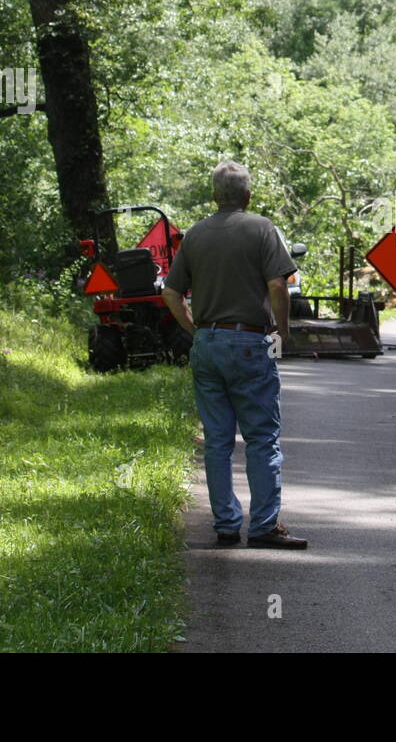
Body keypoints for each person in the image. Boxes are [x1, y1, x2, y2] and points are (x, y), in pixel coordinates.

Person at [162, 160, 307, 549]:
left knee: (217, 440)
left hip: (208, 344)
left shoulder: (194, 235)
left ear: (214, 195)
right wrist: (283, 330)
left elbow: (171, 293)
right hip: (249, 343)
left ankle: (226, 524)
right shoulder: (261, 229)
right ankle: (262, 526)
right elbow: (278, 285)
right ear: (248, 195)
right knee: (261, 437)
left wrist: (196, 330)